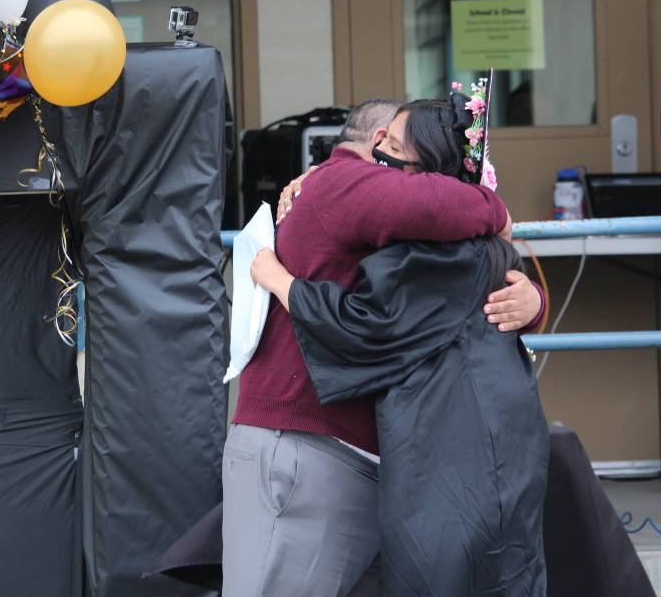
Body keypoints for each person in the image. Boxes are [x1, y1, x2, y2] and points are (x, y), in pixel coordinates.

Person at [222, 98, 544, 596]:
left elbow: (461, 293)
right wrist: (492, 207)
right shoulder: (349, 184)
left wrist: (533, 302)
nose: (385, 154)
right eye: (385, 143)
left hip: (381, 458)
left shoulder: (416, 229)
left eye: (397, 149)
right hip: (302, 445)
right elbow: (371, 322)